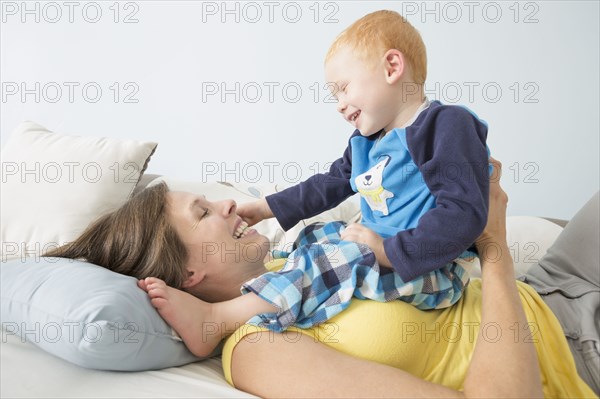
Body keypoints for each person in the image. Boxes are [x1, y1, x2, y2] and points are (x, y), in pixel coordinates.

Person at [45, 160, 598, 397]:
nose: (227, 205)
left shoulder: (299, 257)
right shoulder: (256, 347)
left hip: (550, 281)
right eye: (203, 212)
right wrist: (494, 248)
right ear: (188, 271)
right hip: (568, 353)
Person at [238, 10, 491, 311]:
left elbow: (464, 213)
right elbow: (328, 184)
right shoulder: (367, 142)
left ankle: (232, 313)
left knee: (332, 259)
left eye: (343, 88)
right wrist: (264, 207)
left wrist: (386, 251)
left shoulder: (446, 125)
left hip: (433, 269)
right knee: (313, 234)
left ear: (392, 67)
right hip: (380, 248)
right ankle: (280, 277)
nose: (339, 106)